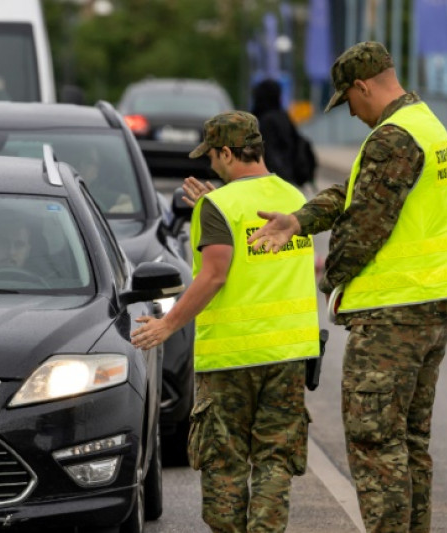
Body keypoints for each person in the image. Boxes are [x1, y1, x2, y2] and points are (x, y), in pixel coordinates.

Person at [247, 41, 447, 533]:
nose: (351, 113)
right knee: (409, 443)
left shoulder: (393, 137)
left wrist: (329, 278)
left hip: (394, 316)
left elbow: (363, 227)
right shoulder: (425, 125)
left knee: (376, 444)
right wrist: (300, 220)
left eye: (348, 101)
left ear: (363, 85)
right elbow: (355, 192)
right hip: (433, 309)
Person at [131, 111, 320, 532]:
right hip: (289, 354)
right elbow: (255, 242)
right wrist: (214, 206)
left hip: (232, 359)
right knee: (275, 459)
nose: (209, 165)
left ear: (229, 152)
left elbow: (214, 275)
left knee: (224, 461)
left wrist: (168, 324)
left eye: (213, 155)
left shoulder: (220, 206)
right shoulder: (293, 199)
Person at [251, 78, 300, 187]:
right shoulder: (284, 117)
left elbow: (268, 152)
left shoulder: (264, 121)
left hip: (272, 181)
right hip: (289, 179)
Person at [73, 145, 135, 214]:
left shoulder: (97, 193)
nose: (96, 168)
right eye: (91, 161)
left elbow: (132, 202)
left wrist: (117, 210)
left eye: (96, 164)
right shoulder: (66, 191)